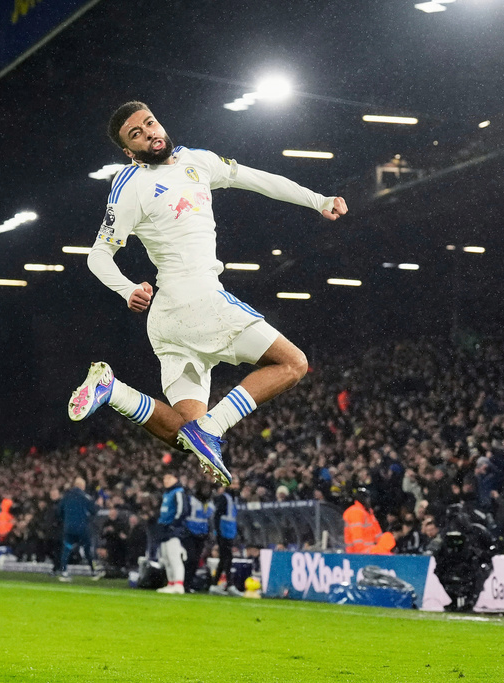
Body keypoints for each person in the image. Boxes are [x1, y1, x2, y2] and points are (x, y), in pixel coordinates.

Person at [67, 101, 348, 486]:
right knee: (294, 364)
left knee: (184, 436)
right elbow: (98, 254)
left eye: (150, 122)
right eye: (136, 134)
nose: (149, 132)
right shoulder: (130, 185)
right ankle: (212, 428)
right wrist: (127, 288)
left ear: (159, 123)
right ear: (129, 152)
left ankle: (113, 391)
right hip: (198, 301)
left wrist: (318, 200)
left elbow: (258, 178)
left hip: (169, 322)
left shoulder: (198, 161)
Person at [58, 477, 99, 581]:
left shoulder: (66, 496)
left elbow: (59, 511)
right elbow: (94, 511)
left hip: (69, 527)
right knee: (87, 549)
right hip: (82, 528)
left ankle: (64, 572)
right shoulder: (85, 497)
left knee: (66, 549)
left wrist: (66, 520)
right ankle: (93, 571)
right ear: (82, 486)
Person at [156, 473, 189, 594]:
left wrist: (174, 525)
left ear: (176, 479)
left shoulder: (178, 492)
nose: (166, 480)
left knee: (174, 557)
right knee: (166, 558)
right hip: (164, 528)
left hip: (173, 530)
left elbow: (182, 510)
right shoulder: (166, 493)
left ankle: (179, 584)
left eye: (169, 478)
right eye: (165, 478)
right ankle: (171, 583)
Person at [209, 480, 240, 594]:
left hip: (229, 532)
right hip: (224, 532)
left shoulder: (232, 499)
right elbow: (217, 516)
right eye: (234, 483)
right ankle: (230, 584)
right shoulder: (225, 498)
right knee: (227, 558)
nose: (236, 486)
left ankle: (214, 584)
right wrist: (217, 532)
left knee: (224, 559)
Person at [343, 488, 382, 553]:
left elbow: (376, 533)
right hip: (360, 553)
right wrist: (360, 553)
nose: (369, 501)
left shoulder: (367, 512)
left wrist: (380, 547)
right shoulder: (356, 512)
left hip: (370, 552)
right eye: (367, 498)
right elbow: (357, 536)